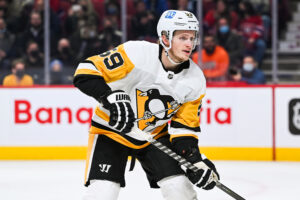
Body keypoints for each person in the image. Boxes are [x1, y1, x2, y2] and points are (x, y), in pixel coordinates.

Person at [73, 10, 219, 200]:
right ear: (165, 38)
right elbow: (85, 71)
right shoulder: (137, 53)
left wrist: (195, 160)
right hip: (111, 131)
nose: (189, 44)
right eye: (183, 37)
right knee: (103, 192)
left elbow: (184, 129)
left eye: (192, 38)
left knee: (179, 189)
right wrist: (109, 96)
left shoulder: (196, 79)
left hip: (154, 135)